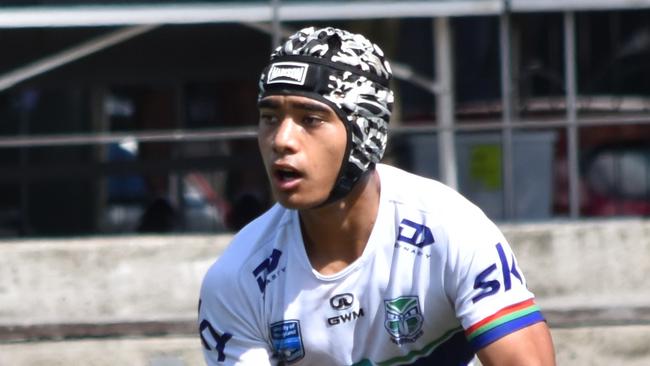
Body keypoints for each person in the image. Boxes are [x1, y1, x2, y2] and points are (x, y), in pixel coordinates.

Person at [198, 26, 555, 365]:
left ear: (365, 133)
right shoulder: (236, 279)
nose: (281, 140)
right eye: (270, 117)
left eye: (310, 119)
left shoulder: (452, 230)